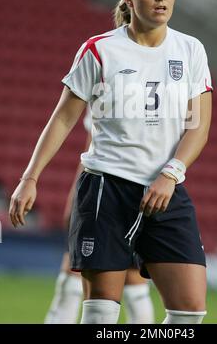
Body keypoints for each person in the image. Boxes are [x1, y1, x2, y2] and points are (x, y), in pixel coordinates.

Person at [9, 0, 213, 324]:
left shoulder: (191, 50)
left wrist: (172, 172)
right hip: (106, 189)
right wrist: (30, 178)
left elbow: (198, 124)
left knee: (189, 313)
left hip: (164, 192)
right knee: (101, 314)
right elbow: (64, 118)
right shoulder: (99, 50)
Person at [44, 109, 154, 324]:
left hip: (117, 191)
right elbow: (93, 147)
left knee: (78, 270)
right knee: (132, 279)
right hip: (118, 188)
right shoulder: (107, 88)